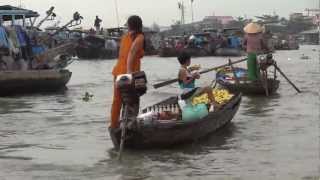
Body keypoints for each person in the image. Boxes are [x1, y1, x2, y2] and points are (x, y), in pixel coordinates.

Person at [110, 15, 145, 129]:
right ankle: (129, 127)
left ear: (130, 25)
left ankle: (114, 126)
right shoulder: (139, 37)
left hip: (118, 72)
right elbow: (131, 53)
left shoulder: (125, 37)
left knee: (117, 100)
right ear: (140, 25)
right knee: (133, 101)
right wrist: (130, 73)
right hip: (131, 74)